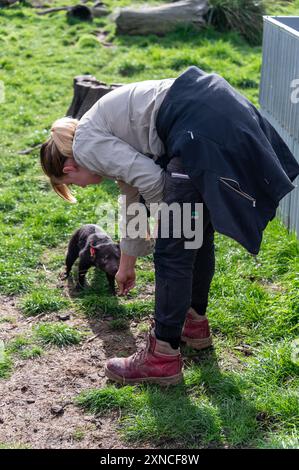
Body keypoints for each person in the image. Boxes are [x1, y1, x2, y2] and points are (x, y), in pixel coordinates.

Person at [40, 65, 299, 386]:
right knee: (195, 233)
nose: (82, 187)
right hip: (214, 105)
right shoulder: (99, 132)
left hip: (199, 124)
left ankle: (161, 355)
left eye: (72, 182)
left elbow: (151, 180)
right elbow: (132, 199)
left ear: (69, 166)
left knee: (174, 248)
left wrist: (170, 228)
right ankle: (193, 323)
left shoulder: (86, 145)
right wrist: (127, 264)